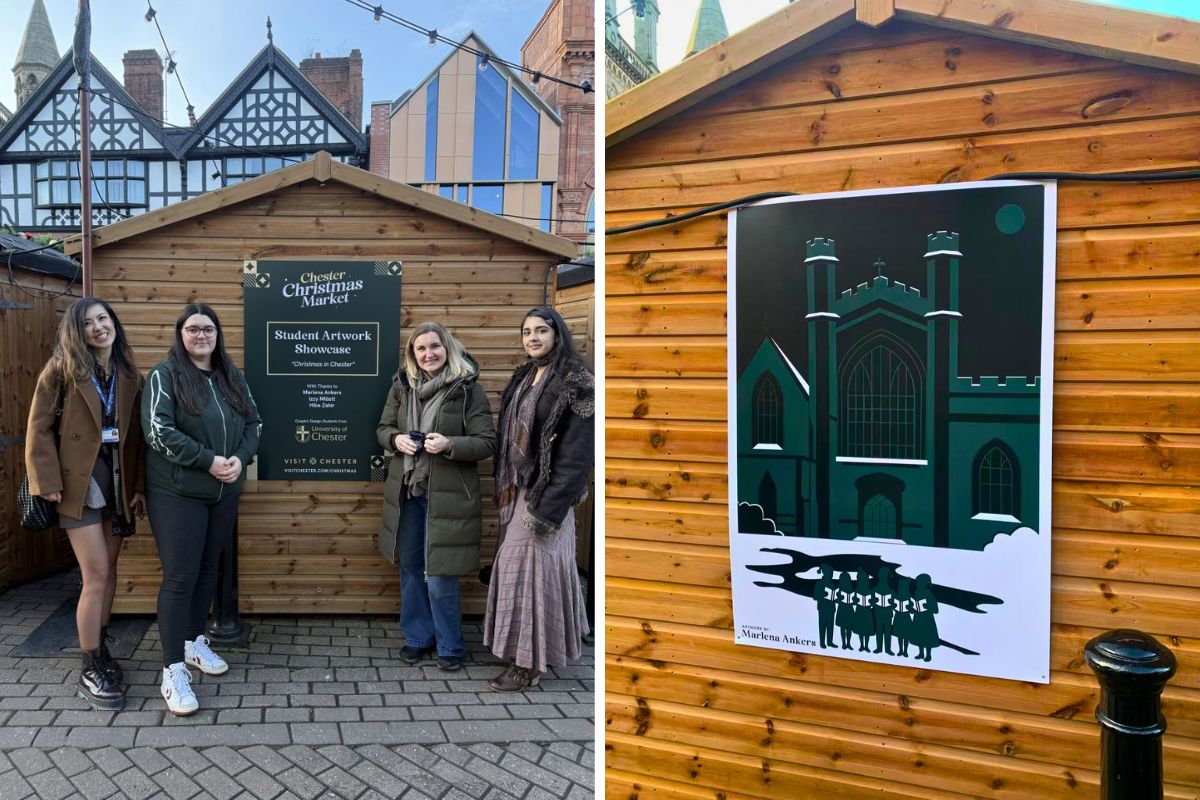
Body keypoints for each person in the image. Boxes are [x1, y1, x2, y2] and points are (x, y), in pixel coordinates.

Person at [25, 298, 145, 710]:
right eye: (88, 323)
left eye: (103, 319)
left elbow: (137, 441)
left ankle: (102, 644)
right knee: (94, 574)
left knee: (109, 570)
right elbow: (38, 430)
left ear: (114, 323)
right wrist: (47, 481)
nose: (98, 328)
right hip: (78, 484)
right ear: (77, 331)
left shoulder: (130, 375)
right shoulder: (61, 371)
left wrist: (139, 487)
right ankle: (90, 663)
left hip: (118, 482)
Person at [142, 303, 260, 716]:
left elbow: (253, 423)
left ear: (217, 334)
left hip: (224, 492)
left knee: (209, 568)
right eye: (192, 329)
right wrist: (209, 460)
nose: (200, 336)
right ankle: (172, 670)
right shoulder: (165, 375)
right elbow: (159, 432)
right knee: (180, 577)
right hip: (178, 493)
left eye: (207, 329)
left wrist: (240, 459)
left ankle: (193, 643)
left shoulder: (231, 375)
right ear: (181, 334)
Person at [484, 307, 593, 692]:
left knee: (525, 570)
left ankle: (527, 666)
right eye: (527, 331)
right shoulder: (525, 376)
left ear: (557, 334)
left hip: (547, 496)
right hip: (520, 486)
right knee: (533, 571)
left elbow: (577, 458)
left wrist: (547, 511)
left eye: (541, 330)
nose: (533, 337)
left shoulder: (578, 383)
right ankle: (535, 651)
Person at [376, 322, 496, 672]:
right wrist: (395, 440)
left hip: (447, 497)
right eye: (421, 349)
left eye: (435, 347)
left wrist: (449, 445)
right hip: (408, 492)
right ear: (412, 355)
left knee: (441, 574)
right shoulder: (402, 386)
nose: (429, 354)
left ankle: (450, 645)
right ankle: (417, 638)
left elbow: (487, 441)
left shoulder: (468, 390)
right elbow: (383, 429)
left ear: (448, 348)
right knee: (412, 569)